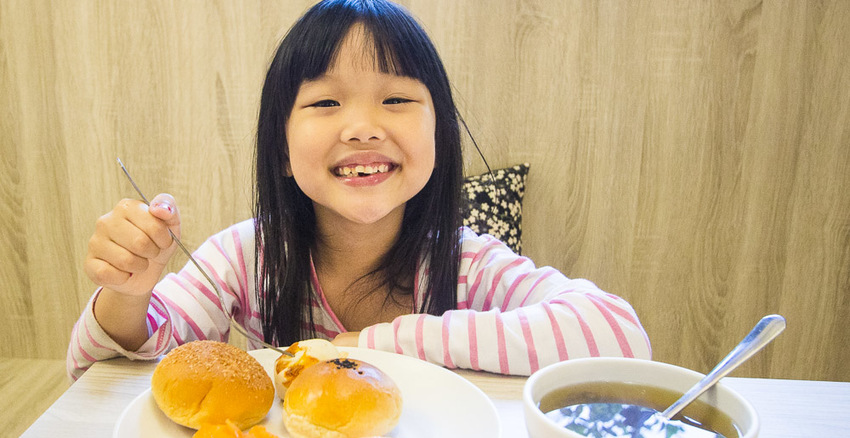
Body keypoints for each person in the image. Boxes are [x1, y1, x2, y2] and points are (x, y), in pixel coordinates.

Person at [67, 0, 651, 381]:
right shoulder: (246, 258)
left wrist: (390, 343)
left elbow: (619, 338)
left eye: (396, 99)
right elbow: (94, 377)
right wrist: (129, 293)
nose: (363, 126)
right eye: (325, 102)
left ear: (440, 138)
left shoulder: (466, 264)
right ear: (282, 152)